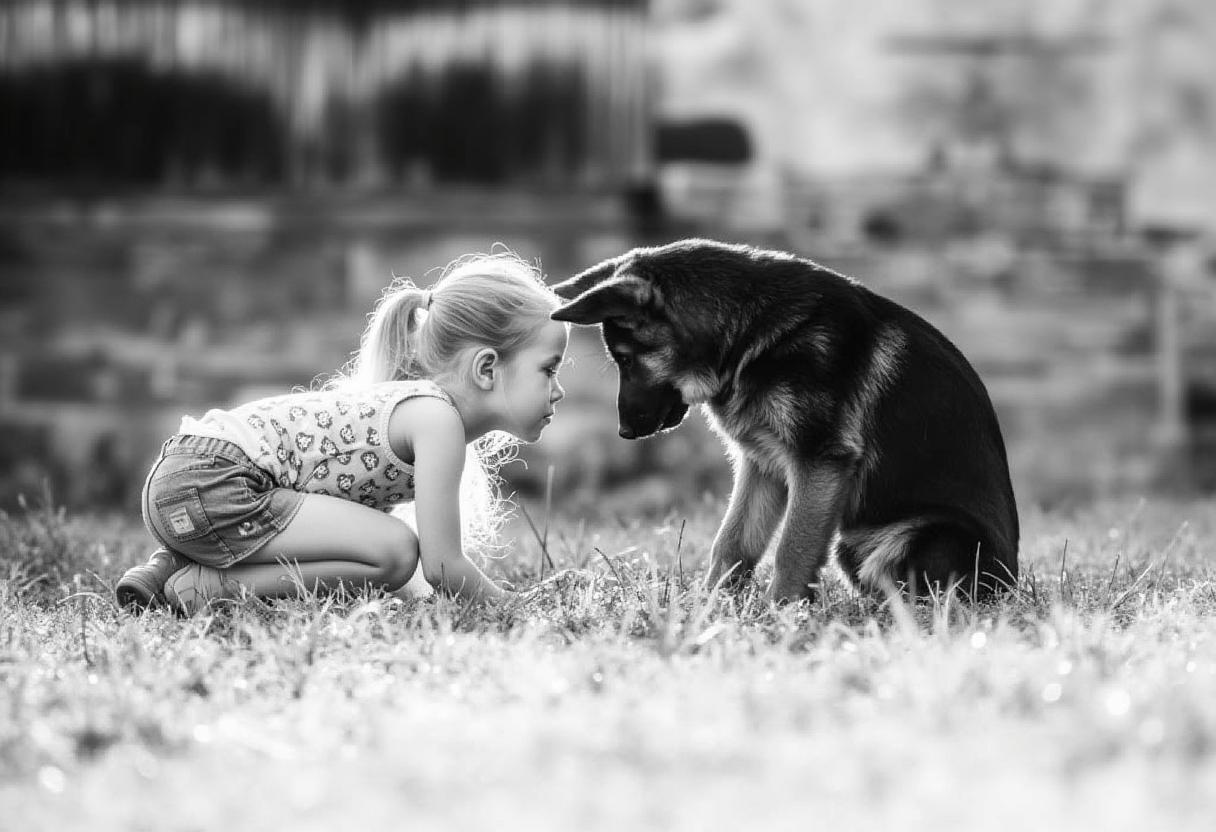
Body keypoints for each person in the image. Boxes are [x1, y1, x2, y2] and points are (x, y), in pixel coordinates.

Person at [116, 252, 568, 615]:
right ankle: (202, 589)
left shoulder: (419, 411)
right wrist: (518, 607)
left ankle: (174, 568)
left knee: (388, 560)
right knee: (394, 550)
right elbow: (443, 566)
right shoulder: (436, 419)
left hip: (186, 479)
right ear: (487, 368)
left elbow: (400, 576)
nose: (559, 389)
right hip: (217, 480)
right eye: (548, 369)